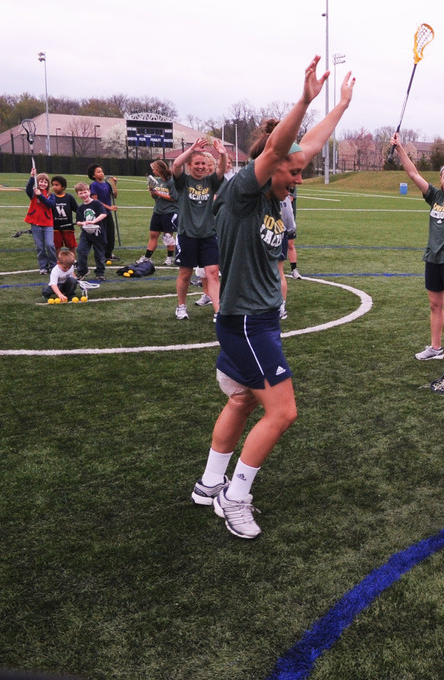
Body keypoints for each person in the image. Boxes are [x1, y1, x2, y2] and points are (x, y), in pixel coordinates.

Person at [189, 56, 355, 539]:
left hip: (255, 318)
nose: (298, 180)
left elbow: (307, 145)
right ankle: (234, 497)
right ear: (270, 165)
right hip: (246, 322)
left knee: (241, 400)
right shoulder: (244, 191)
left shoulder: (275, 196)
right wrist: (303, 99)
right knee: (283, 411)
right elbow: (280, 148)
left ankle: (208, 484)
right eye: (293, 173)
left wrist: (339, 105)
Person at [390, 133, 444, 361]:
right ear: (441, 178)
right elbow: (413, 173)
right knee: (435, 305)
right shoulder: (435, 195)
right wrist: (399, 149)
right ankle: (436, 349)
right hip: (433, 258)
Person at [171, 137, 228, 320]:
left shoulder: (210, 181)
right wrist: (191, 149)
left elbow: (220, 170)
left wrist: (223, 154)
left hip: (208, 235)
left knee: (212, 274)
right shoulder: (183, 181)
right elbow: (176, 165)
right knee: (186, 274)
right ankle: (181, 306)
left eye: (203, 163)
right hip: (187, 234)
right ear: (190, 165)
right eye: (197, 163)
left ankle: (218, 311)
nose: (201, 166)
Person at [136, 160, 178, 266]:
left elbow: (174, 198)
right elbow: (155, 197)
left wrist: (158, 193)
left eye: (154, 169)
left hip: (169, 212)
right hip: (158, 211)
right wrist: (152, 192)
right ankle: (147, 257)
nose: (153, 171)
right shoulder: (157, 181)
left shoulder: (172, 181)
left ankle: (169, 258)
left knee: (167, 235)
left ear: (159, 169)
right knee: (153, 235)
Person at [73, 181, 109, 281]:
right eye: (81, 193)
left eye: (85, 192)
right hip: (86, 234)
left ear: (89, 191)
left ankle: (100, 273)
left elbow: (103, 214)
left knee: (99, 254)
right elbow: (78, 221)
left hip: (98, 233)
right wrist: (82, 223)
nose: (84, 195)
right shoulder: (80, 208)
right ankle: (82, 271)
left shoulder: (96, 203)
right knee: (81, 251)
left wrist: (94, 221)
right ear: (77, 194)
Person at [24, 167, 56, 274]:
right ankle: (43, 266)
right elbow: (28, 188)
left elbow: (51, 205)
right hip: (36, 224)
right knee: (40, 247)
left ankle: (53, 265)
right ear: (37, 183)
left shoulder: (51, 195)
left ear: (48, 184)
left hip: (48, 224)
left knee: (50, 245)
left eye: (45, 181)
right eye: (41, 181)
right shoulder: (33, 192)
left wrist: (41, 196)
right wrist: (32, 177)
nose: (43, 183)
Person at [88, 164, 119, 263]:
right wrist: (109, 207)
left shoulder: (106, 184)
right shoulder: (94, 185)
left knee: (110, 233)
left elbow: (114, 195)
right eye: (98, 172)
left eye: (101, 171)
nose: (101, 173)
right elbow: (95, 200)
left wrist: (114, 184)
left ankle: (109, 253)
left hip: (108, 213)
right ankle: (101, 254)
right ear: (93, 175)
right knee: (102, 234)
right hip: (100, 214)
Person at [50, 176, 79, 251]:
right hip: (55, 227)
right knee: (57, 246)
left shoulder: (69, 197)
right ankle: (59, 261)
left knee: (71, 245)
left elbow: (77, 209)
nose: (54, 187)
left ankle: (73, 261)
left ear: (63, 187)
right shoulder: (51, 197)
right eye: (53, 185)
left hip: (68, 227)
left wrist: (81, 218)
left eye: (57, 185)